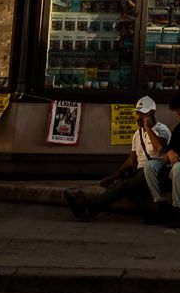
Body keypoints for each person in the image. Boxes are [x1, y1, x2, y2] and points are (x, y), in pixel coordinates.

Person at [64, 94, 170, 222]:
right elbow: (132, 160)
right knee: (117, 186)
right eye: (137, 114)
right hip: (139, 174)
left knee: (124, 187)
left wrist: (148, 127)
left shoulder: (162, 130)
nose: (137, 118)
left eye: (141, 114)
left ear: (151, 114)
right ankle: (85, 207)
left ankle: (88, 208)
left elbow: (160, 147)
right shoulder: (137, 134)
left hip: (154, 174)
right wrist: (114, 176)